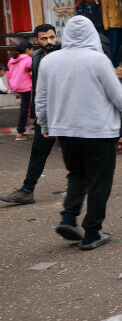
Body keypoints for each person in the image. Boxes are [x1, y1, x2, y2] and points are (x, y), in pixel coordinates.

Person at [35, 15, 122, 250]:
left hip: (65, 130)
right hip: (98, 130)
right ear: (92, 33)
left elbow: (40, 98)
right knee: (99, 181)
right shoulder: (98, 59)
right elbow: (116, 93)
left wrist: (44, 125)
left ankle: (68, 218)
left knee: (77, 174)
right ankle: (92, 232)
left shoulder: (49, 61)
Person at [0, 25, 60, 204]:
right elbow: (37, 86)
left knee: (81, 150)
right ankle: (27, 190)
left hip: (68, 111)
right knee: (38, 150)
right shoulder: (36, 57)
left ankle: (94, 187)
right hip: (47, 112)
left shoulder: (65, 53)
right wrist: (35, 111)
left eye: (52, 37)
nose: (49, 42)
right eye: (44, 38)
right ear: (36, 41)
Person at [7, 42, 34, 140]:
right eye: (32, 49)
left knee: (26, 106)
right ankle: (21, 132)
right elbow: (32, 73)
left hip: (15, 86)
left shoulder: (11, 60)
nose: (32, 51)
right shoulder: (28, 59)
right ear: (27, 49)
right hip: (26, 87)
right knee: (26, 107)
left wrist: (13, 89)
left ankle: (31, 123)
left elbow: (8, 75)